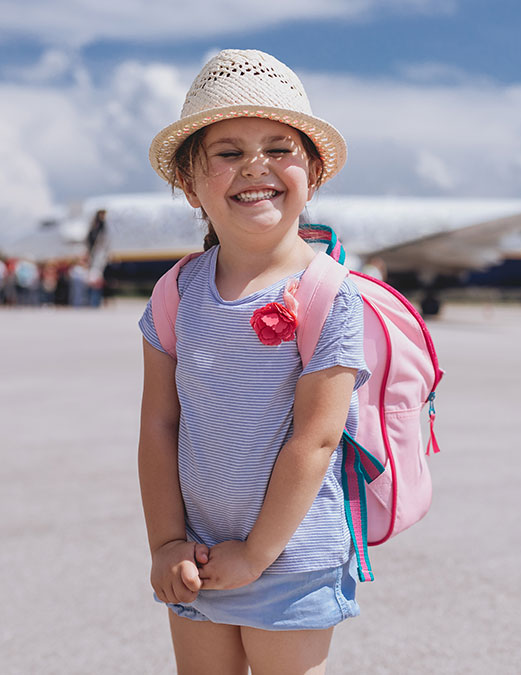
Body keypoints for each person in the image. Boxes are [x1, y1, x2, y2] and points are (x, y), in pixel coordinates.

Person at [137, 49, 370, 674]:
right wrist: (165, 543)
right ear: (189, 182)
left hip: (291, 560)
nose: (255, 167)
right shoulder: (175, 293)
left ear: (313, 171)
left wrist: (258, 554)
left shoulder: (329, 292)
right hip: (199, 559)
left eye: (278, 147)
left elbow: (316, 439)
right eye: (229, 152)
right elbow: (159, 427)